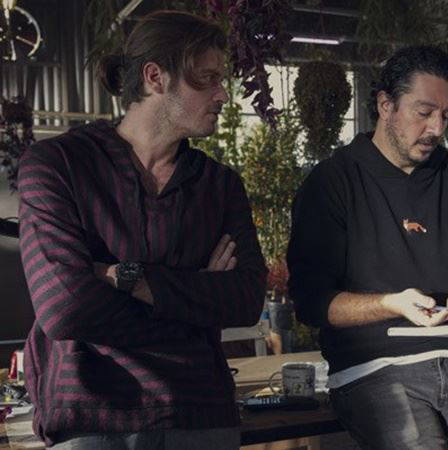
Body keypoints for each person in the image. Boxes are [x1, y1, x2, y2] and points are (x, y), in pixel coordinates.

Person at [17, 10, 268, 449]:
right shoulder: (58, 165)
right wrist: (195, 299)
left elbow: (246, 300)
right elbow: (64, 308)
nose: (223, 94)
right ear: (155, 77)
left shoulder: (219, 185)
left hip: (199, 415)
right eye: (207, 79)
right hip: (92, 415)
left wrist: (126, 278)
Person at [287, 46, 448, 449]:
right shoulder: (332, 182)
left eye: (447, 115)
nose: (437, 128)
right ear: (386, 105)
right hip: (373, 368)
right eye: (424, 112)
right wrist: (392, 304)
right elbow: (312, 303)